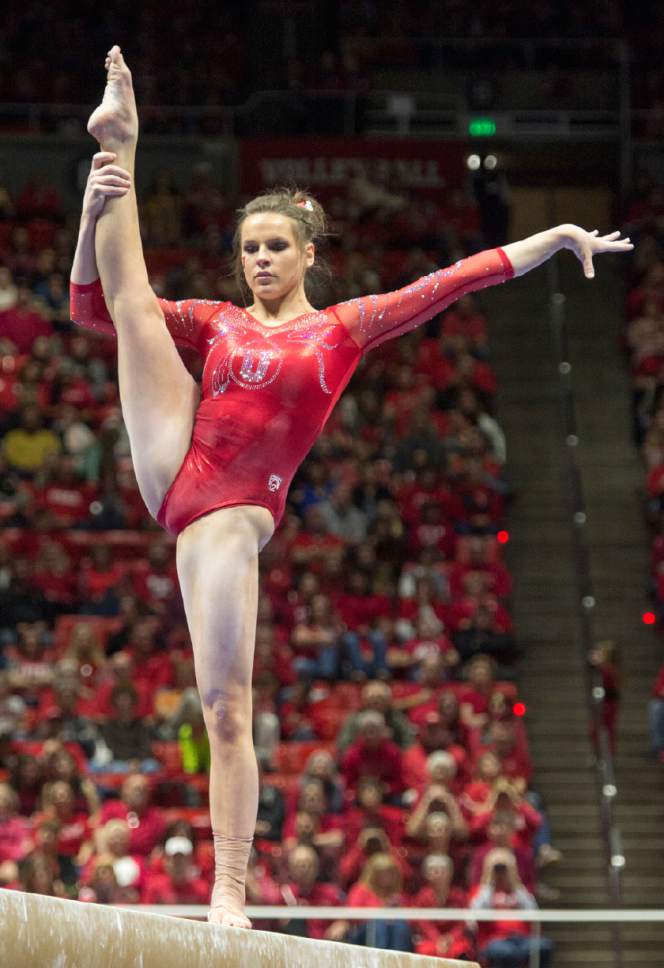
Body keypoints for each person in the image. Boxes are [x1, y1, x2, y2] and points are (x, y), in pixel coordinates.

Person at [69, 44, 633, 929]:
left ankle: (230, 887)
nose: (258, 260)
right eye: (248, 248)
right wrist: (89, 218)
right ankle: (122, 147)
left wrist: (555, 237)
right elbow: (94, 309)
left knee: (226, 705)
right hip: (175, 451)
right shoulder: (213, 320)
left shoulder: (339, 332)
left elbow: (454, 280)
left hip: (226, 510)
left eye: (274, 248)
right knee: (136, 304)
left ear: (306, 255)